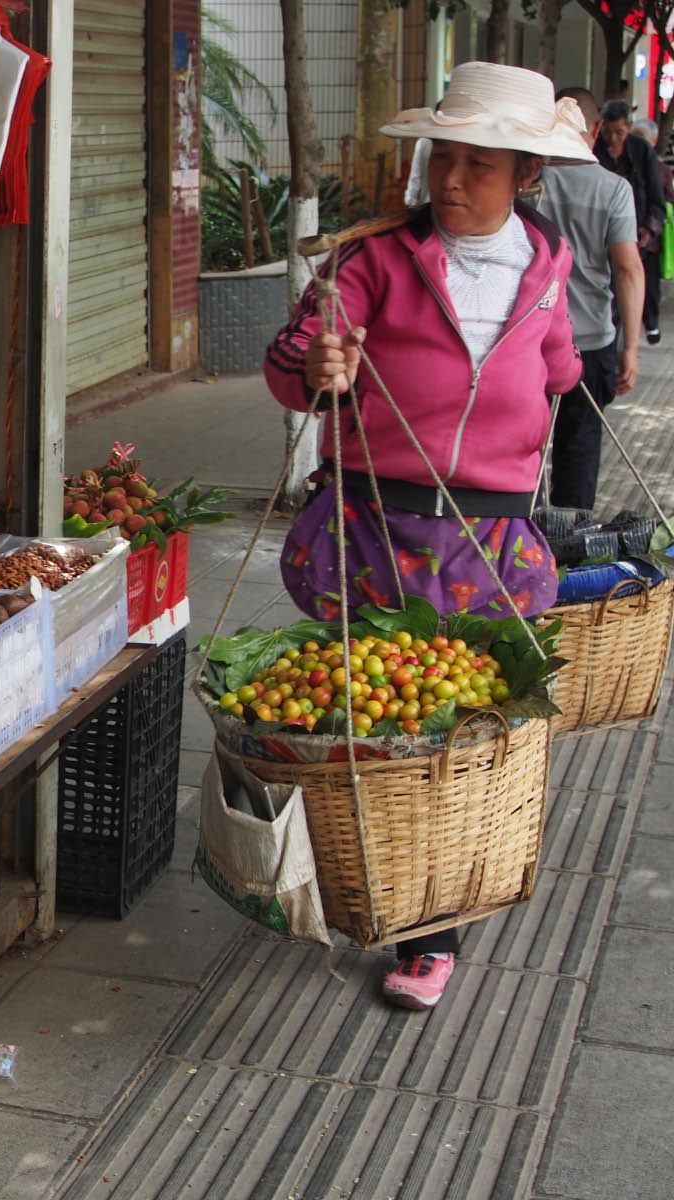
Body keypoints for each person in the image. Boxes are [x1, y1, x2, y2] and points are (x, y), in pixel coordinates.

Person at [265, 62, 587, 1012]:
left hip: (491, 542)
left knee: (458, 733)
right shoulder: (371, 258)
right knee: (367, 718)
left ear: (526, 176)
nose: (450, 180)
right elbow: (297, 362)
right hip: (372, 524)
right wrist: (318, 362)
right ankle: (360, 877)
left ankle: (430, 924)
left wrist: (559, 381)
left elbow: (561, 364)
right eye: (442, 158)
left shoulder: (547, 263)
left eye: (478, 166)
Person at [536, 88, 644, 510]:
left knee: (521, 449)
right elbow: (628, 269)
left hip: (531, 343)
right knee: (578, 453)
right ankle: (571, 554)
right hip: (591, 343)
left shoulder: (527, 184)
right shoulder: (614, 190)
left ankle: (519, 552)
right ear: (596, 129)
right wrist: (630, 347)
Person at [594, 100, 665, 342]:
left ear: (628, 129)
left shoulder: (641, 150)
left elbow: (657, 197)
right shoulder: (594, 149)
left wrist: (648, 230)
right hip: (601, 236)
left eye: (619, 133)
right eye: (608, 132)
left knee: (632, 285)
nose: (613, 139)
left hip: (637, 235)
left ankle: (634, 335)